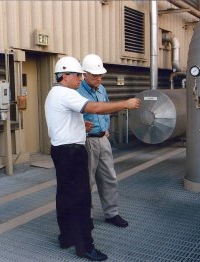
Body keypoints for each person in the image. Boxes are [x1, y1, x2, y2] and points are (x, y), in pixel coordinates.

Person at [44, 56, 140, 261]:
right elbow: (94, 108)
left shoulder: (55, 93)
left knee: (64, 196)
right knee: (81, 199)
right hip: (72, 152)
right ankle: (85, 247)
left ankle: (66, 237)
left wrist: (81, 125)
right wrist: (126, 104)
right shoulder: (66, 94)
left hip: (61, 150)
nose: (80, 78)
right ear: (64, 76)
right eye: (77, 74)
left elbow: (65, 120)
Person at [77, 54, 128, 228]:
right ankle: (86, 216)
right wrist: (81, 124)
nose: (99, 78)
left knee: (109, 178)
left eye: (101, 75)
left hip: (103, 138)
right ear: (84, 74)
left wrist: (106, 128)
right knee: (87, 180)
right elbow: (69, 116)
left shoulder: (102, 89)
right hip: (86, 142)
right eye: (95, 75)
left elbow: (105, 108)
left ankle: (112, 213)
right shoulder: (77, 91)